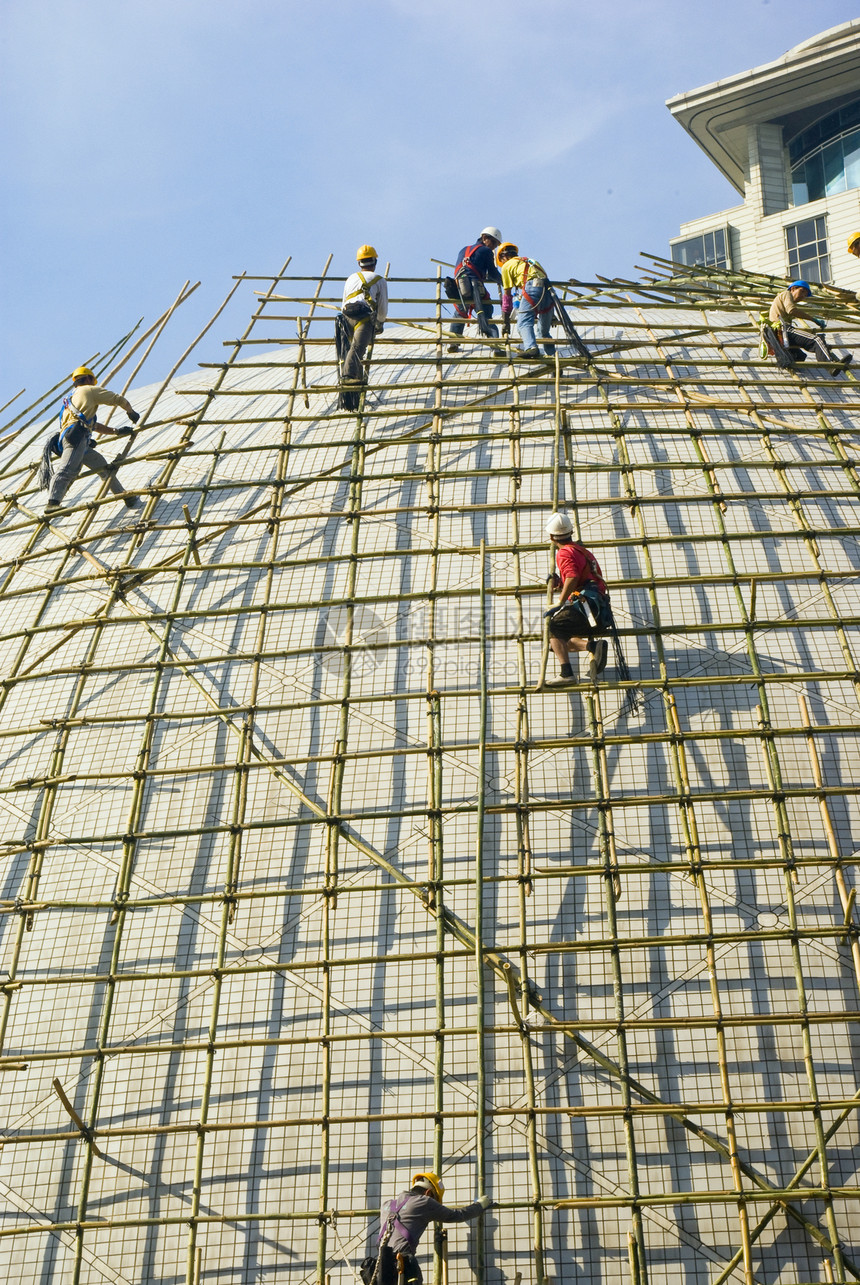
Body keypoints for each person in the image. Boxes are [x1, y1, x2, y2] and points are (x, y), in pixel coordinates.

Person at [39, 367, 141, 515]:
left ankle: (123, 495)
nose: (93, 383)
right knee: (67, 468)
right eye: (93, 380)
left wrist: (116, 431)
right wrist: (130, 412)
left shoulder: (72, 399)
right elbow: (119, 400)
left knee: (103, 467)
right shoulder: (88, 390)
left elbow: (93, 425)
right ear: (87, 379)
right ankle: (52, 503)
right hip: (76, 438)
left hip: (76, 437)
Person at [361, 1171, 490, 1285]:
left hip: (380, 1270)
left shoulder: (386, 1205)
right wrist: (480, 1205)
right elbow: (458, 1215)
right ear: (428, 1193)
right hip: (403, 1268)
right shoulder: (424, 1202)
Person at [543, 512, 612, 683]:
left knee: (554, 627)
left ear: (551, 536)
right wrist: (560, 582)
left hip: (587, 604)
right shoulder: (581, 551)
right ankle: (592, 646)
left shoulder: (564, 553)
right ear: (571, 531)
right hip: (597, 607)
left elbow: (573, 577)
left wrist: (560, 602)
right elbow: (579, 577)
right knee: (555, 643)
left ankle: (567, 674)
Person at [337, 245, 389, 409]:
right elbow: (382, 308)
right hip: (363, 317)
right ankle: (347, 376)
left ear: (359, 262)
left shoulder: (351, 278)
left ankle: (356, 386)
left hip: (346, 315)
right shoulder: (379, 280)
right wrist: (379, 323)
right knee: (358, 348)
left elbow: (344, 300)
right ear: (375, 261)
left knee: (351, 348)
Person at [767, 280, 852, 375]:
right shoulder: (786, 294)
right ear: (793, 288)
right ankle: (831, 366)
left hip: (780, 334)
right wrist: (813, 319)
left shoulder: (780, 300)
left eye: (805, 295)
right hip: (783, 330)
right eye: (802, 291)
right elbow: (792, 310)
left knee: (801, 356)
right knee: (816, 340)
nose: (802, 296)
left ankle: (793, 364)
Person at [446, 228, 503, 352]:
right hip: (474, 287)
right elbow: (493, 273)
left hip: (460, 288)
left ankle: (453, 343)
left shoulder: (463, 250)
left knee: (460, 313)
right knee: (486, 312)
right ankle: (496, 347)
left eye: (495, 244)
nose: (493, 247)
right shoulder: (486, 251)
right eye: (493, 242)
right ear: (484, 238)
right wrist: (504, 281)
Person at [497, 243, 554, 358]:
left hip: (532, 289)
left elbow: (507, 297)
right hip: (548, 292)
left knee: (523, 323)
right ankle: (553, 358)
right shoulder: (532, 261)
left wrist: (506, 320)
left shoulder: (507, 265)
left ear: (504, 257)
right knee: (544, 332)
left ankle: (531, 347)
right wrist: (551, 314)